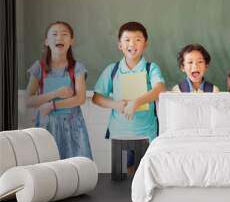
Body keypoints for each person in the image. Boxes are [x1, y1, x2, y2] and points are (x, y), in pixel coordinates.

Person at [92, 21, 165, 174]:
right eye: (127, 40)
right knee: (124, 173)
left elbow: (160, 89)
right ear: (120, 45)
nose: (132, 43)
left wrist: (136, 103)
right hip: (120, 132)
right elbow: (96, 98)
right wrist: (115, 104)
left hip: (147, 131)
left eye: (138, 39)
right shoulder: (112, 70)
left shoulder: (150, 68)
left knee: (146, 171)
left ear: (145, 44)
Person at [25, 21, 92, 159]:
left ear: (71, 41)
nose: (59, 38)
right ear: (46, 41)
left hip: (73, 127)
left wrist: (52, 105)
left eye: (64, 34)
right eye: (54, 34)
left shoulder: (77, 68)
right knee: (47, 166)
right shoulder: (39, 67)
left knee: (76, 167)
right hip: (46, 126)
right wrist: (56, 93)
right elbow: (28, 100)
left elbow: (80, 98)